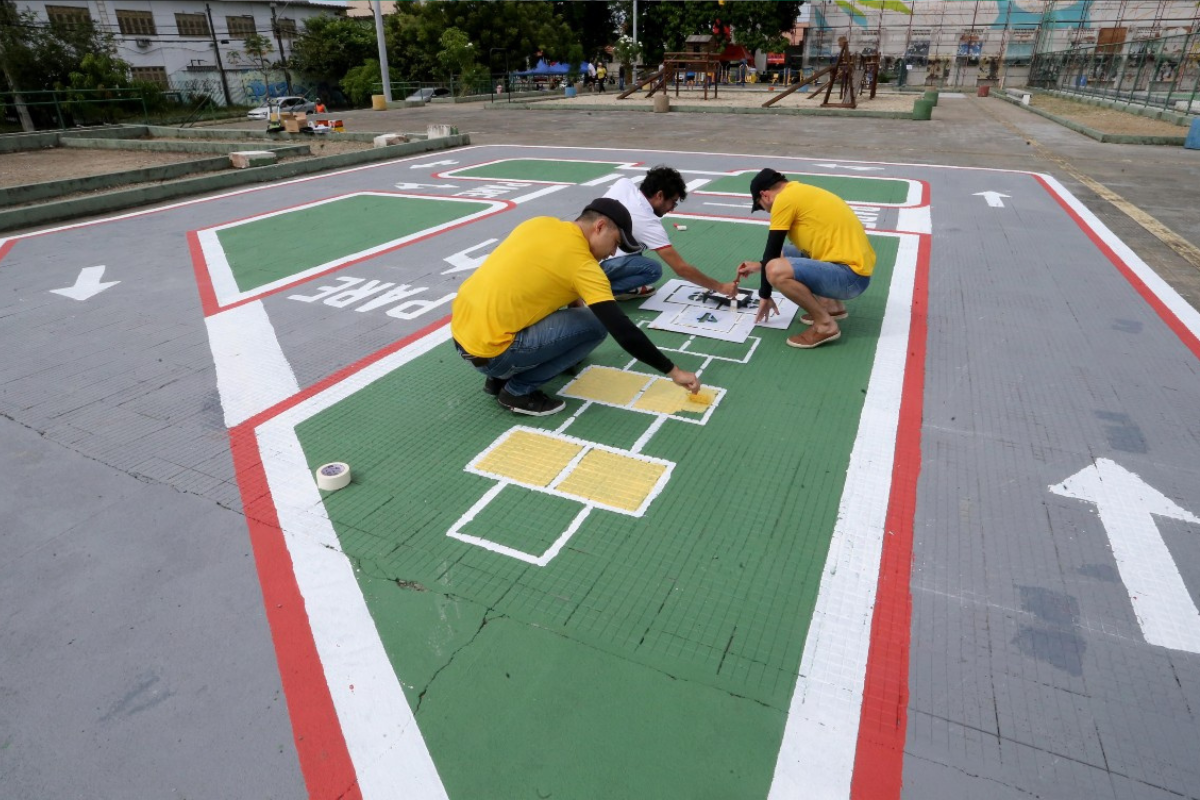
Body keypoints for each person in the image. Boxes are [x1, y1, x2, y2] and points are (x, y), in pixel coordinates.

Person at [451, 198, 701, 416]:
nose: (613, 252)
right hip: (494, 353)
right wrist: (674, 371)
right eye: (615, 243)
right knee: (596, 325)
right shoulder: (583, 265)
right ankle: (517, 391)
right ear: (600, 226)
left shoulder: (540, 223)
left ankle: (496, 380)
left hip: (463, 334)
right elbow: (623, 331)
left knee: (544, 306)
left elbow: (547, 285)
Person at [735, 168, 876, 350]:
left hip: (850, 279)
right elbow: (777, 253)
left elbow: (771, 253)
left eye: (761, 206)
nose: (767, 210)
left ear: (765, 195)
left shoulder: (783, 200)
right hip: (854, 271)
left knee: (775, 270)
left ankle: (825, 325)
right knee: (784, 254)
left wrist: (765, 295)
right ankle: (832, 307)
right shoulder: (799, 191)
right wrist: (757, 266)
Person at [600, 165, 739, 302]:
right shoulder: (648, 222)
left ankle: (598, 284)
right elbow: (681, 268)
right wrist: (720, 287)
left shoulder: (624, 184)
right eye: (673, 201)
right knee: (653, 269)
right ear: (660, 195)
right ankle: (596, 290)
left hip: (583, 254)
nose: (672, 208)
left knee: (635, 246)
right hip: (597, 267)